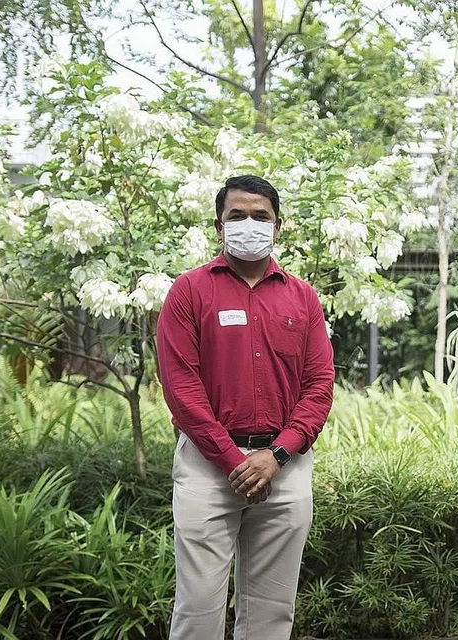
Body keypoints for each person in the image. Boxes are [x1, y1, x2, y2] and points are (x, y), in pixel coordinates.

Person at [156, 174, 335, 640]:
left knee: (272, 614)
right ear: (218, 226)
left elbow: (319, 386)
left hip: (285, 467)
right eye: (237, 216)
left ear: (279, 226)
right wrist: (235, 460)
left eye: (261, 216)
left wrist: (276, 456)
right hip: (208, 467)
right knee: (198, 611)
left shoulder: (303, 297)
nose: (249, 224)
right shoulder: (189, 292)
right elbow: (181, 388)